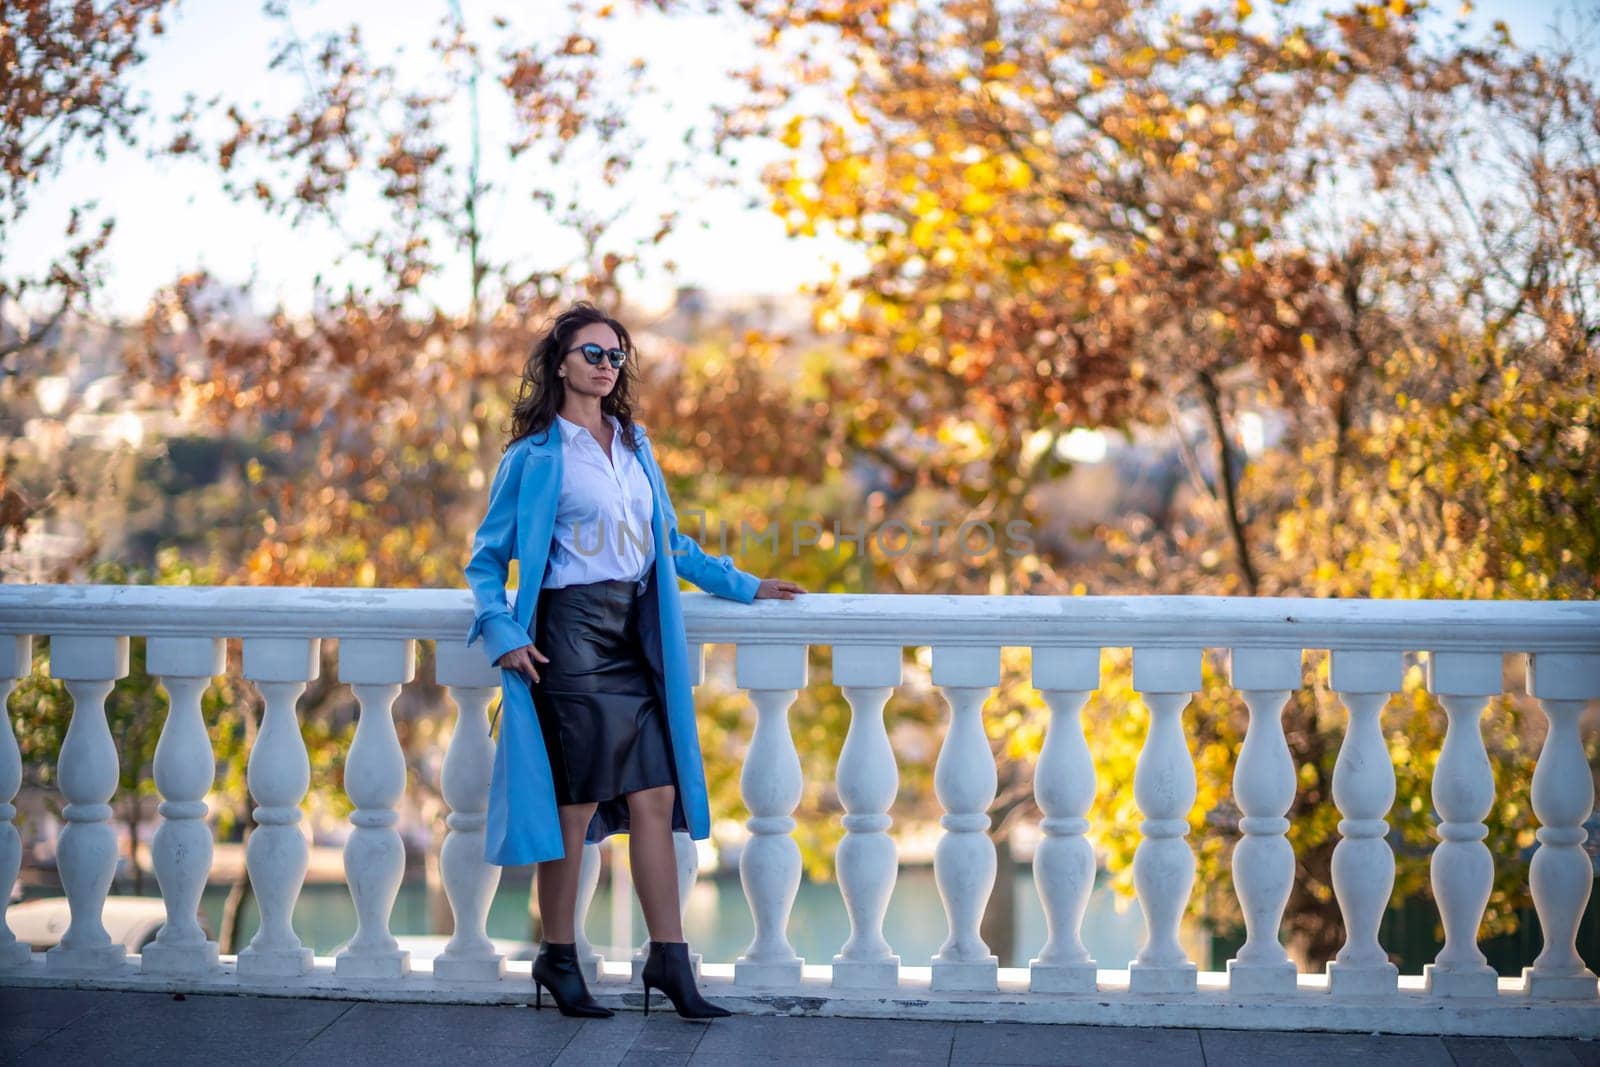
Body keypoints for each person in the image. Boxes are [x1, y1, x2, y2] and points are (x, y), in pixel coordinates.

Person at [463, 300, 805, 1019]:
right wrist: (502, 630)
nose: (607, 365)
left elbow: (670, 544)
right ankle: (558, 957)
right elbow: (487, 559)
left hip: (630, 638)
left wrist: (744, 585)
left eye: (616, 355)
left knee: (656, 796)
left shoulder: (634, 444)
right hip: (570, 638)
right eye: (593, 353)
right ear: (560, 362)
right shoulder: (532, 458)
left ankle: (669, 962)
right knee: (576, 807)